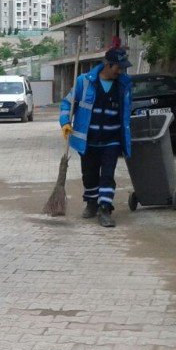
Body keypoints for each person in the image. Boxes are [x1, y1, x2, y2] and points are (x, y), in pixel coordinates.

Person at [59, 48, 134, 227]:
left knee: (108, 175)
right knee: (89, 176)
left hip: (112, 140)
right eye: (118, 67)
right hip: (88, 140)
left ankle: (105, 208)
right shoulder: (84, 82)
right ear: (108, 65)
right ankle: (91, 203)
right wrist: (65, 122)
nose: (121, 71)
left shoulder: (124, 85)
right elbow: (67, 103)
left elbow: (126, 112)